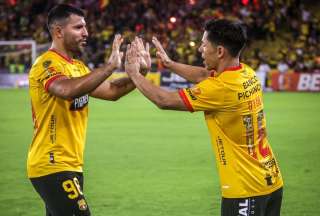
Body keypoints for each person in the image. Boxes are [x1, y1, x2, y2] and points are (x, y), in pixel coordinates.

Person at [125, 19, 283, 216]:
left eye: (204, 44)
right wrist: (169, 64)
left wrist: (134, 74)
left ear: (219, 51)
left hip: (246, 188)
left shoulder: (221, 88)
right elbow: (203, 75)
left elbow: (164, 100)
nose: (200, 49)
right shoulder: (246, 73)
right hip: (271, 179)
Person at [27, 4, 150, 216]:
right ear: (58, 31)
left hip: (72, 164)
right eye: (78, 27)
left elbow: (111, 91)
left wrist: (139, 74)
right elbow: (66, 90)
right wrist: (109, 67)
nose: (86, 33)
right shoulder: (46, 64)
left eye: (85, 27)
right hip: (52, 164)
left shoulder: (78, 67)